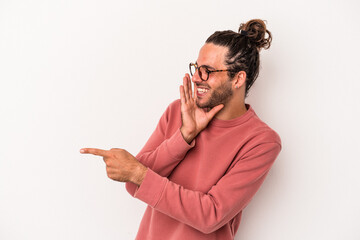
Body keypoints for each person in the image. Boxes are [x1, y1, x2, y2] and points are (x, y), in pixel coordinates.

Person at [80, 19, 282, 240]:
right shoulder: (178, 111)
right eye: (196, 68)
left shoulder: (261, 141)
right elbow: (132, 184)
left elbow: (211, 215)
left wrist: (139, 173)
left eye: (207, 71)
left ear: (238, 79)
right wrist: (184, 136)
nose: (196, 78)